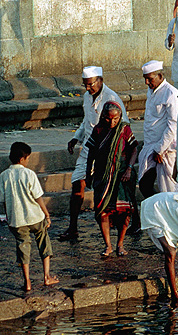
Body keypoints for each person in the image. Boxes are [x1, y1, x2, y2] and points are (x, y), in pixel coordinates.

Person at [59, 66, 128, 241]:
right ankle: (73, 228)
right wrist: (76, 137)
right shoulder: (86, 97)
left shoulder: (112, 98)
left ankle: (119, 234)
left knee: (108, 192)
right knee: (77, 184)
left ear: (100, 81)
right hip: (88, 148)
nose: (88, 88)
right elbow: (86, 120)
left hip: (107, 151)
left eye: (90, 85)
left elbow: (124, 126)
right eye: (85, 85)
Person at [0, 142, 58, 292]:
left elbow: (4, 200)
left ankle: (27, 282)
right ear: (22, 159)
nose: (28, 161)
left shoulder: (4, 176)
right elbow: (38, 198)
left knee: (22, 247)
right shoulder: (29, 174)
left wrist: (8, 217)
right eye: (28, 158)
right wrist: (47, 214)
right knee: (43, 241)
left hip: (16, 220)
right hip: (35, 217)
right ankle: (46, 277)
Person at [85, 102, 138, 258]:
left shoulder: (124, 129)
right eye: (108, 119)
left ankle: (120, 244)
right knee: (102, 210)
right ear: (103, 117)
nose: (112, 122)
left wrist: (129, 168)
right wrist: (88, 172)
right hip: (103, 175)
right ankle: (107, 245)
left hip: (122, 174)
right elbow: (91, 152)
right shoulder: (98, 130)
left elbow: (134, 149)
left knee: (124, 210)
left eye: (115, 119)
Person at [137, 61, 178, 201]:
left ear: (160, 75)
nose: (146, 82)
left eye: (149, 78)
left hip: (165, 149)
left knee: (168, 190)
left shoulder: (171, 93)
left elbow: (173, 124)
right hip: (150, 146)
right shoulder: (151, 91)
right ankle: (158, 210)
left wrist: (160, 149)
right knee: (144, 184)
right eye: (145, 78)